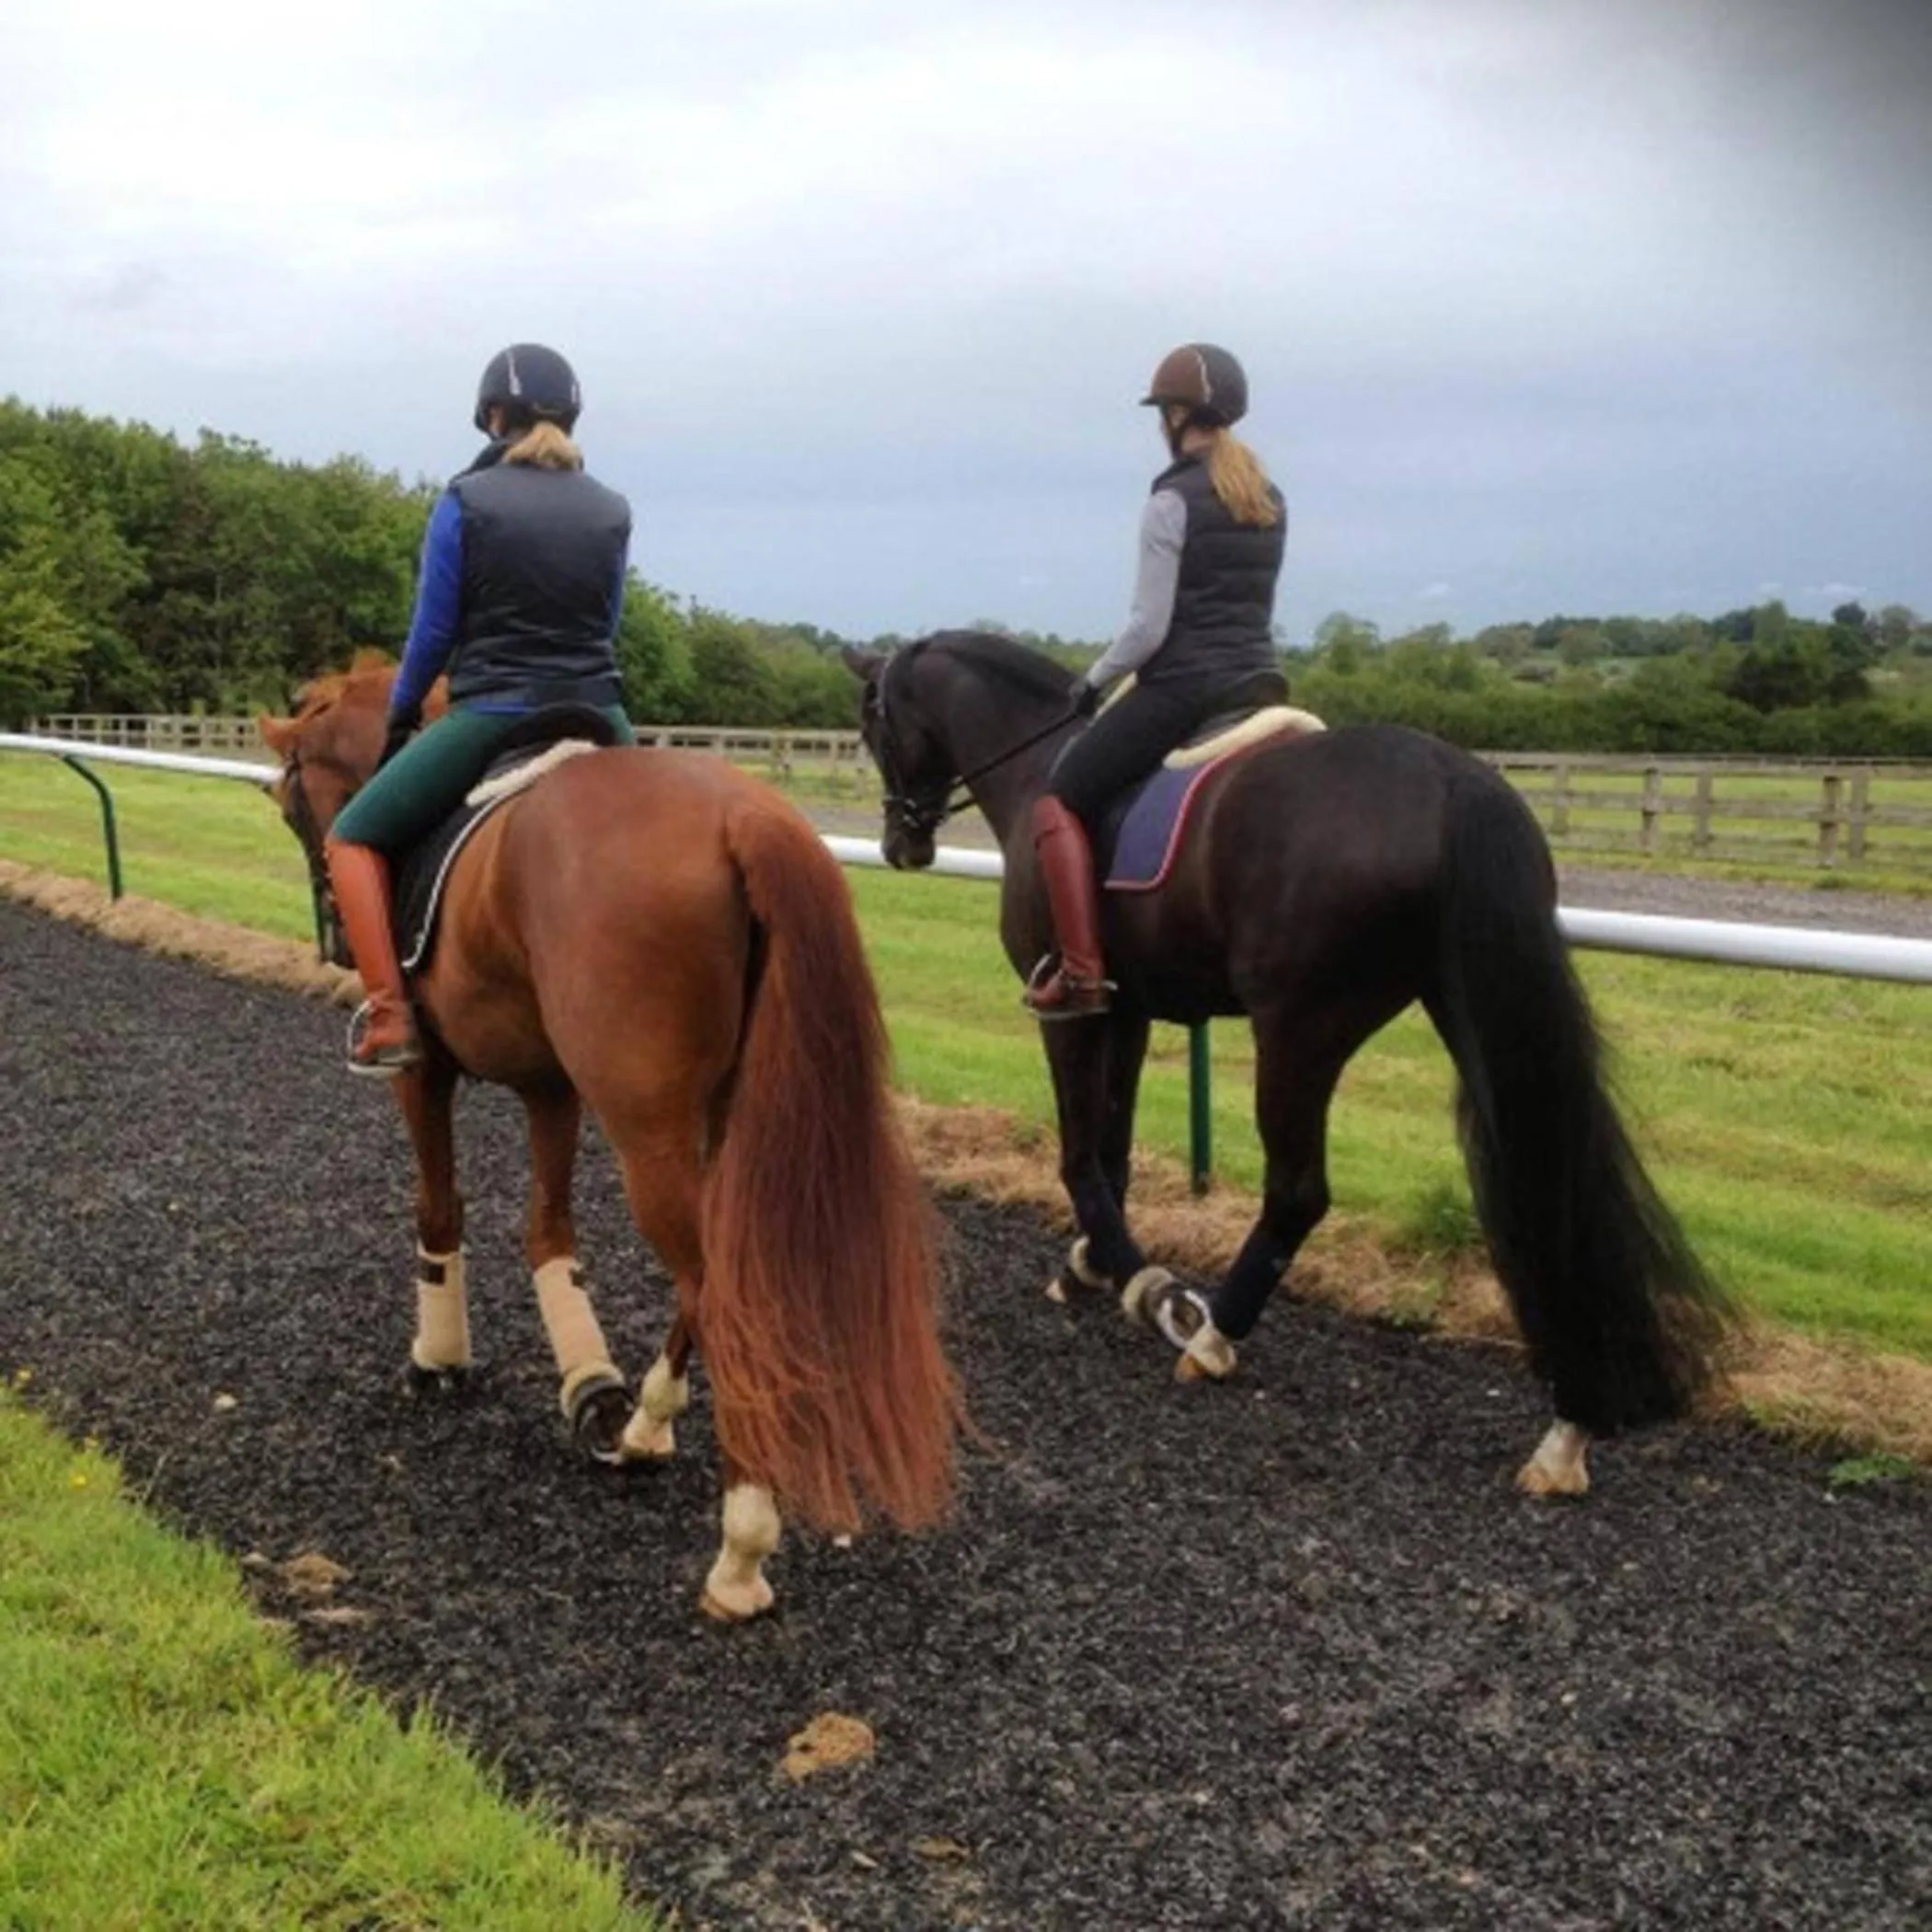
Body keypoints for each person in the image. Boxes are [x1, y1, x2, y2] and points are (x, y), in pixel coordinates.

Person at [325, 342, 637, 1075]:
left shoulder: (465, 500)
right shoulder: (612, 510)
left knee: (352, 836)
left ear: (493, 415)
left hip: (496, 710)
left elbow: (433, 632)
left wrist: (402, 713)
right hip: (601, 711)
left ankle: (390, 1017)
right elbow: (607, 623)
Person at [1024, 342, 1288, 1018]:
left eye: (1161, 413)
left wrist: (1090, 681)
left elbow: (1148, 627)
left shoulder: (1171, 499)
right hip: (1260, 682)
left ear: (1177, 415)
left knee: (1059, 795)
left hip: (1185, 687)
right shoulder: (1267, 497)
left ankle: (1081, 974)